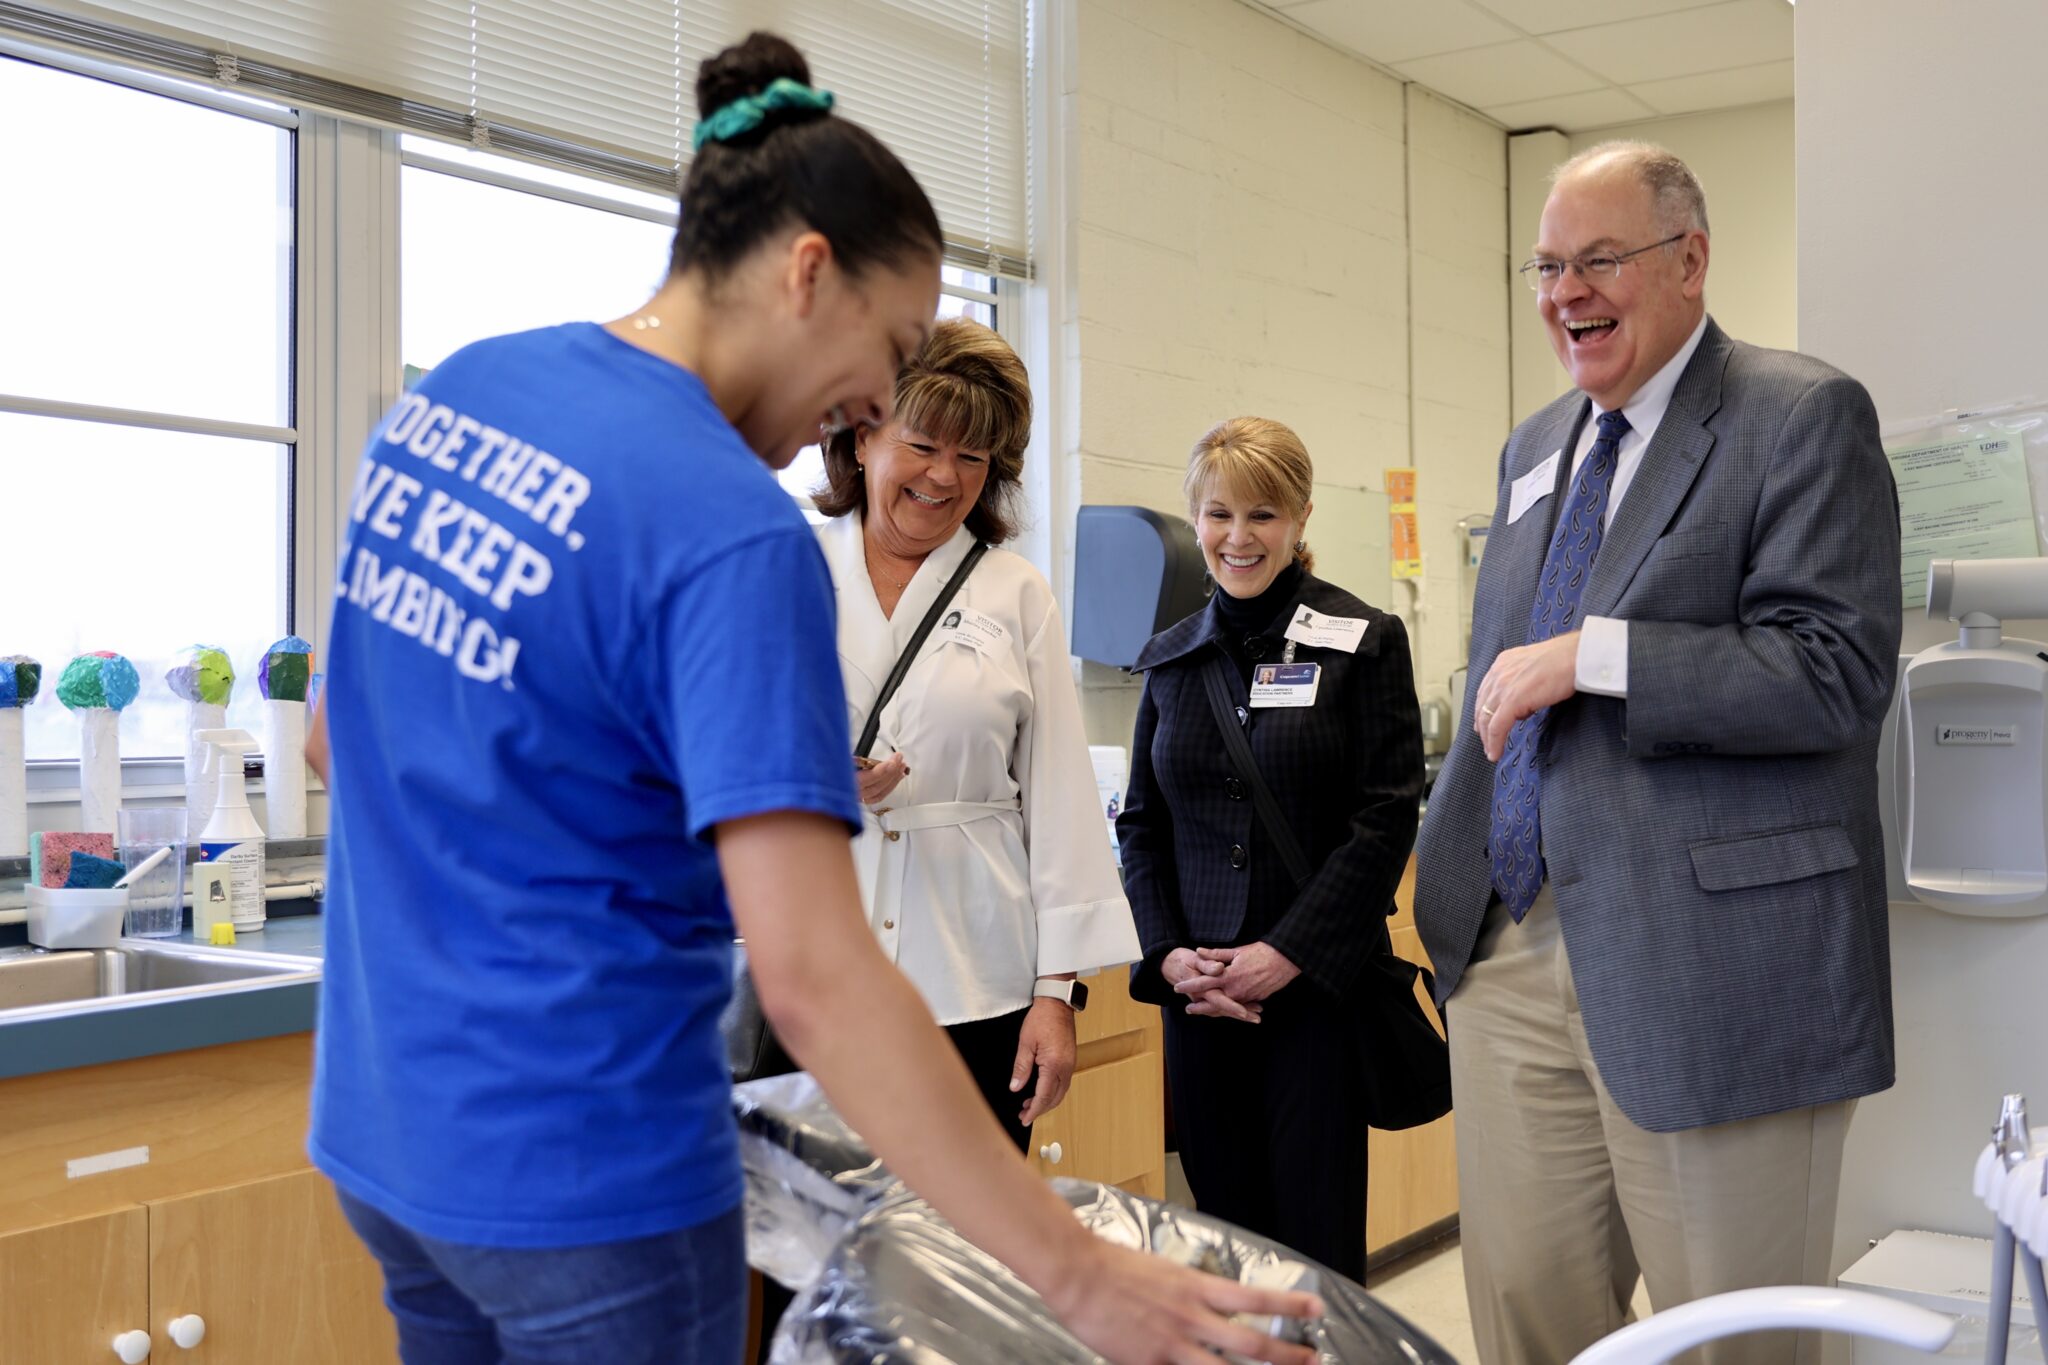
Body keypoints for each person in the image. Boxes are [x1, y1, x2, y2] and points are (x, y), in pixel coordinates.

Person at [308, 32, 1319, 1365]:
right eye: (891, 349)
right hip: (584, 1166)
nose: (867, 407)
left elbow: (335, 738)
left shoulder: (463, 393)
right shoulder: (736, 531)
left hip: (387, 1132)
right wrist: (1078, 1273)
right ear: (805, 271)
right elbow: (816, 978)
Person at [1413, 141, 1902, 1365]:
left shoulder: (1797, 415)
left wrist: (1597, 654)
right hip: (1512, 944)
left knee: (1726, 1337)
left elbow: (1832, 671)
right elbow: (1498, 676)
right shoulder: (1533, 451)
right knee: (1527, 1321)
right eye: (1543, 267)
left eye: (1596, 261)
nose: (1563, 293)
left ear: (1687, 262)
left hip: (1714, 962)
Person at [815, 318, 1140, 1146]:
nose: (943, 476)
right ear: (860, 439)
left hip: (977, 981)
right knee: (819, 1256)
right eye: (922, 443)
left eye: (972, 456)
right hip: (816, 973)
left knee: (965, 1257)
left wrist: (1055, 993)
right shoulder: (784, 570)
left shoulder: (1015, 592)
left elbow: (1063, 803)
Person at [1116, 417, 1424, 1283]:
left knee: (1315, 1250)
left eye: (1263, 515)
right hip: (1202, 999)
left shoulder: (1362, 640)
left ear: (1301, 520)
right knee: (1224, 1243)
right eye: (1219, 514)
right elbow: (1141, 822)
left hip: (1314, 997)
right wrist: (1170, 954)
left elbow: (1384, 815)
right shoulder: (1170, 661)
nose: (1238, 537)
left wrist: (1286, 953)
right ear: (1196, 518)